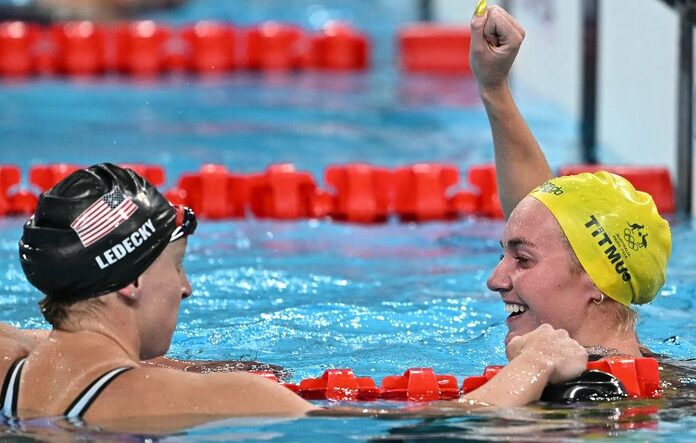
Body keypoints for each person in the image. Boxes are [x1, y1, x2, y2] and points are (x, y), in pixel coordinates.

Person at [8, 162, 589, 429]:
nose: (185, 287)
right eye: (176, 267)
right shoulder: (233, 399)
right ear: (130, 280)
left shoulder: (14, 367)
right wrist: (536, 362)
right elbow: (446, 427)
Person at [468, 5, 672, 358]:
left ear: (596, 283)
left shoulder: (569, 401)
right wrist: (493, 86)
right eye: (507, 255)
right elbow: (547, 228)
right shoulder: (667, 373)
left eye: (523, 260)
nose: (494, 280)